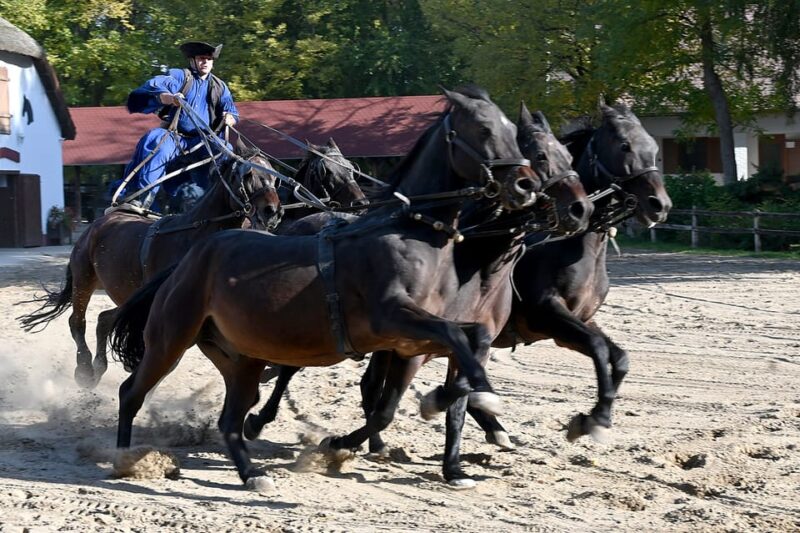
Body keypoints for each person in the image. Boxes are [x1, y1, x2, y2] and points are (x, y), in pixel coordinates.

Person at [119, 41, 238, 210]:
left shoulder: (220, 86)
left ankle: (229, 200)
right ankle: (142, 197)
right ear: (193, 61)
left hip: (204, 142)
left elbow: (232, 112)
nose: (205, 62)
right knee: (154, 140)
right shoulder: (180, 76)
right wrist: (169, 98)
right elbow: (155, 88)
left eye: (209, 59)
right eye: (201, 58)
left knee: (228, 150)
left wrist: (229, 118)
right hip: (175, 137)